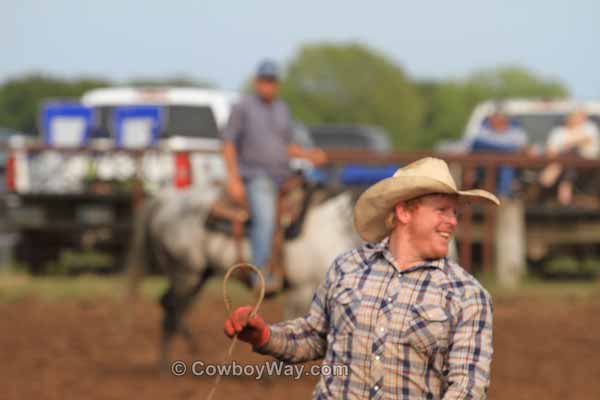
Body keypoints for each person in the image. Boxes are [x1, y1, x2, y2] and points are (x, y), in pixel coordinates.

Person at [224, 157, 499, 399]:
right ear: (404, 212)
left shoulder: (468, 295)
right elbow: (315, 335)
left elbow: (467, 388)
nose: (452, 221)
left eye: (455, 212)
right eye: (441, 210)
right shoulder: (347, 267)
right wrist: (265, 336)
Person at [222, 59, 327, 292]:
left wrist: (309, 155)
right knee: (266, 220)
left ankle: (299, 267)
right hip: (256, 175)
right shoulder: (243, 107)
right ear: (256, 81)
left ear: (276, 84)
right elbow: (228, 143)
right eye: (264, 80)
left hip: (283, 175)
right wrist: (234, 179)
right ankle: (260, 274)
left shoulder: (282, 109)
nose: (268, 85)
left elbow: (287, 145)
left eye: (272, 81)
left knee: (310, 206)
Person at [539, 109, 599, 205]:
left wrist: (569, 144)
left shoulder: (589, 128)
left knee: (570, 156)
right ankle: (564, 198)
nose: (576, 120)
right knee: (568, 162)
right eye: (573, 117)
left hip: (582, 161)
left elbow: (589, 144)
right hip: (565, 162)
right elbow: (551, 151)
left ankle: (553, 172)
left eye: (579, 117)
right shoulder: (558, 131)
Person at [469, 107, 529, 197]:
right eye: (495, 117)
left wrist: (502, 150)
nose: (498, 120)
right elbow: (477, 145)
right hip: (484, 167)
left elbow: (523, 148)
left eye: (501, 118)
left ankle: (503, 195)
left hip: (511, 168)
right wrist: (507, 150)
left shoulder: (516, 132)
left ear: (507, 119)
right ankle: (493, 195)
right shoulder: (482, 130)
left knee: (507, 164)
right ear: (490, 119)